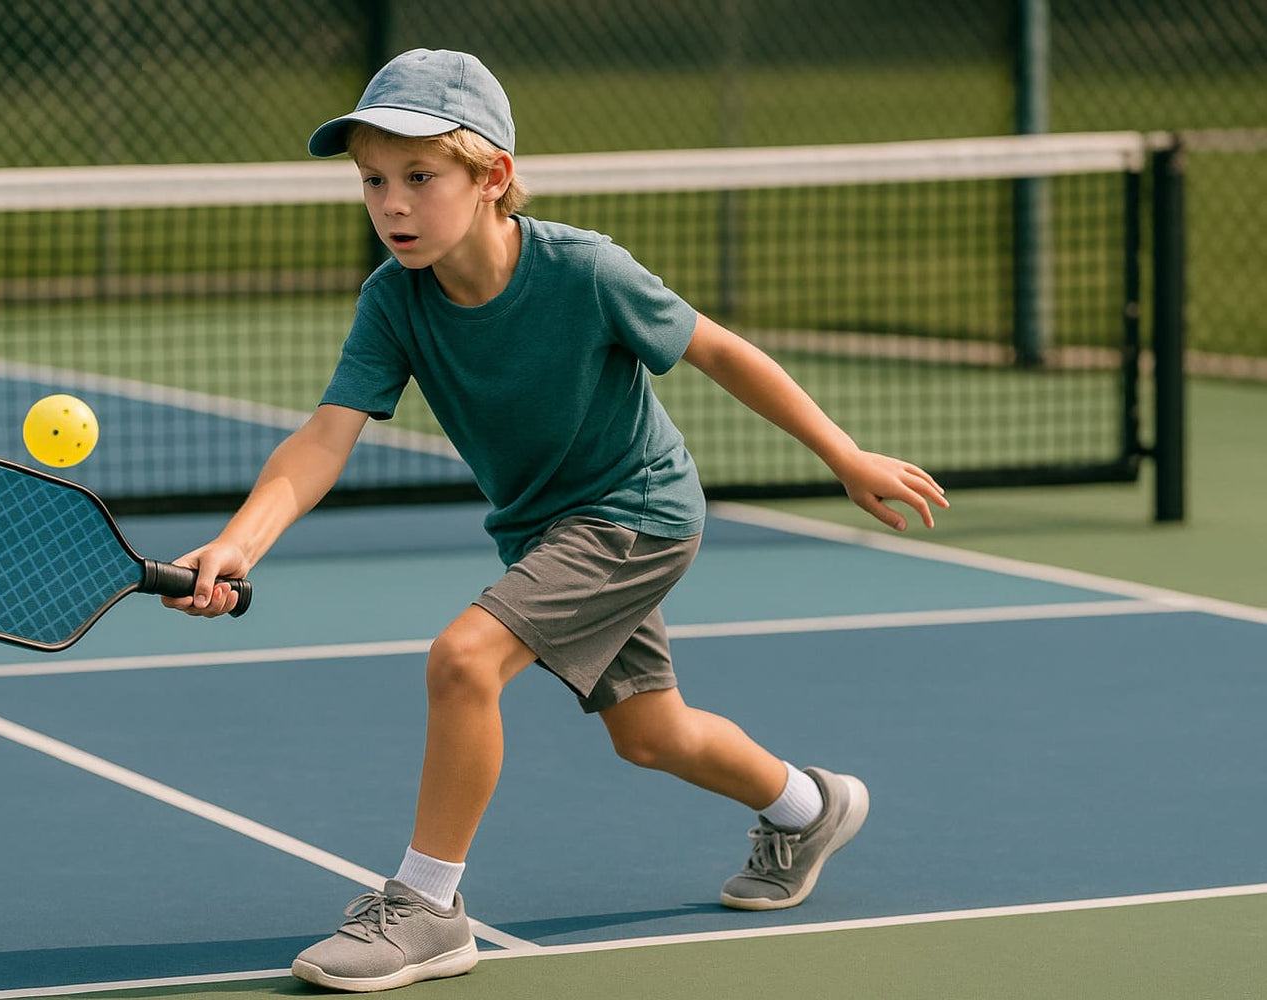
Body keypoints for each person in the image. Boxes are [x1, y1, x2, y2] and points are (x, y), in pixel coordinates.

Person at [164, 48, 948, 993]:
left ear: (492, 178)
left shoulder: (585, 270)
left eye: (420, 177)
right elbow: (324, 439)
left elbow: (720, 351)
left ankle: (429, 908)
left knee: (463, 659)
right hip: (545, 531)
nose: (392, 205)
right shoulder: (394, 302)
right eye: (374, 181)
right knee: (651, 734)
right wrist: (239, 543)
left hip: (638, 513)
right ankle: (805, 806)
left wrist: (844, 456)